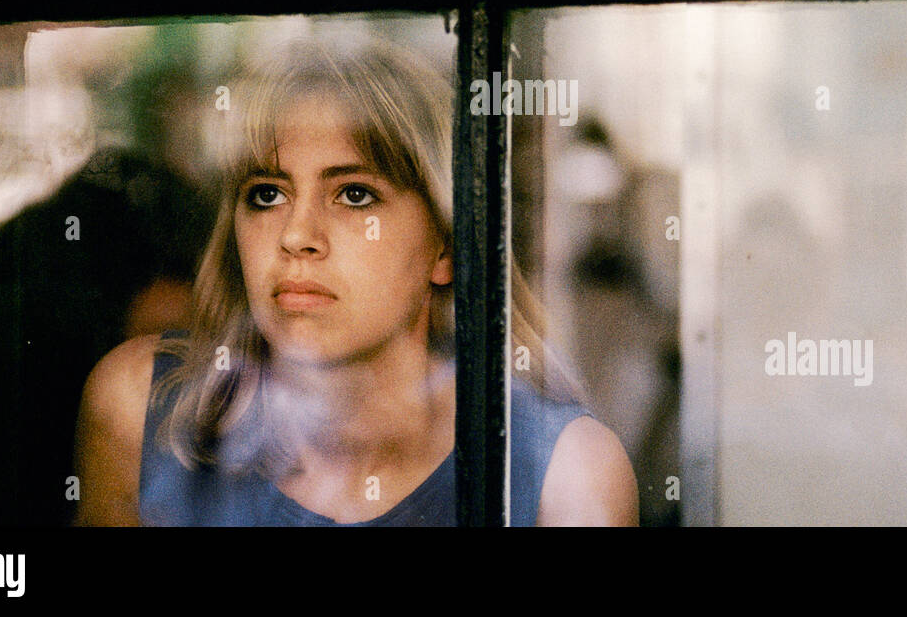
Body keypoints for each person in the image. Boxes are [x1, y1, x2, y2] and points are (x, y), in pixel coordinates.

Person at [73, 35, 637, 526]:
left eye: (354, 195)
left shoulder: (562, 472)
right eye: (267, 194)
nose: (297, 236)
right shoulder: (143, 409)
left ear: (445, 244)